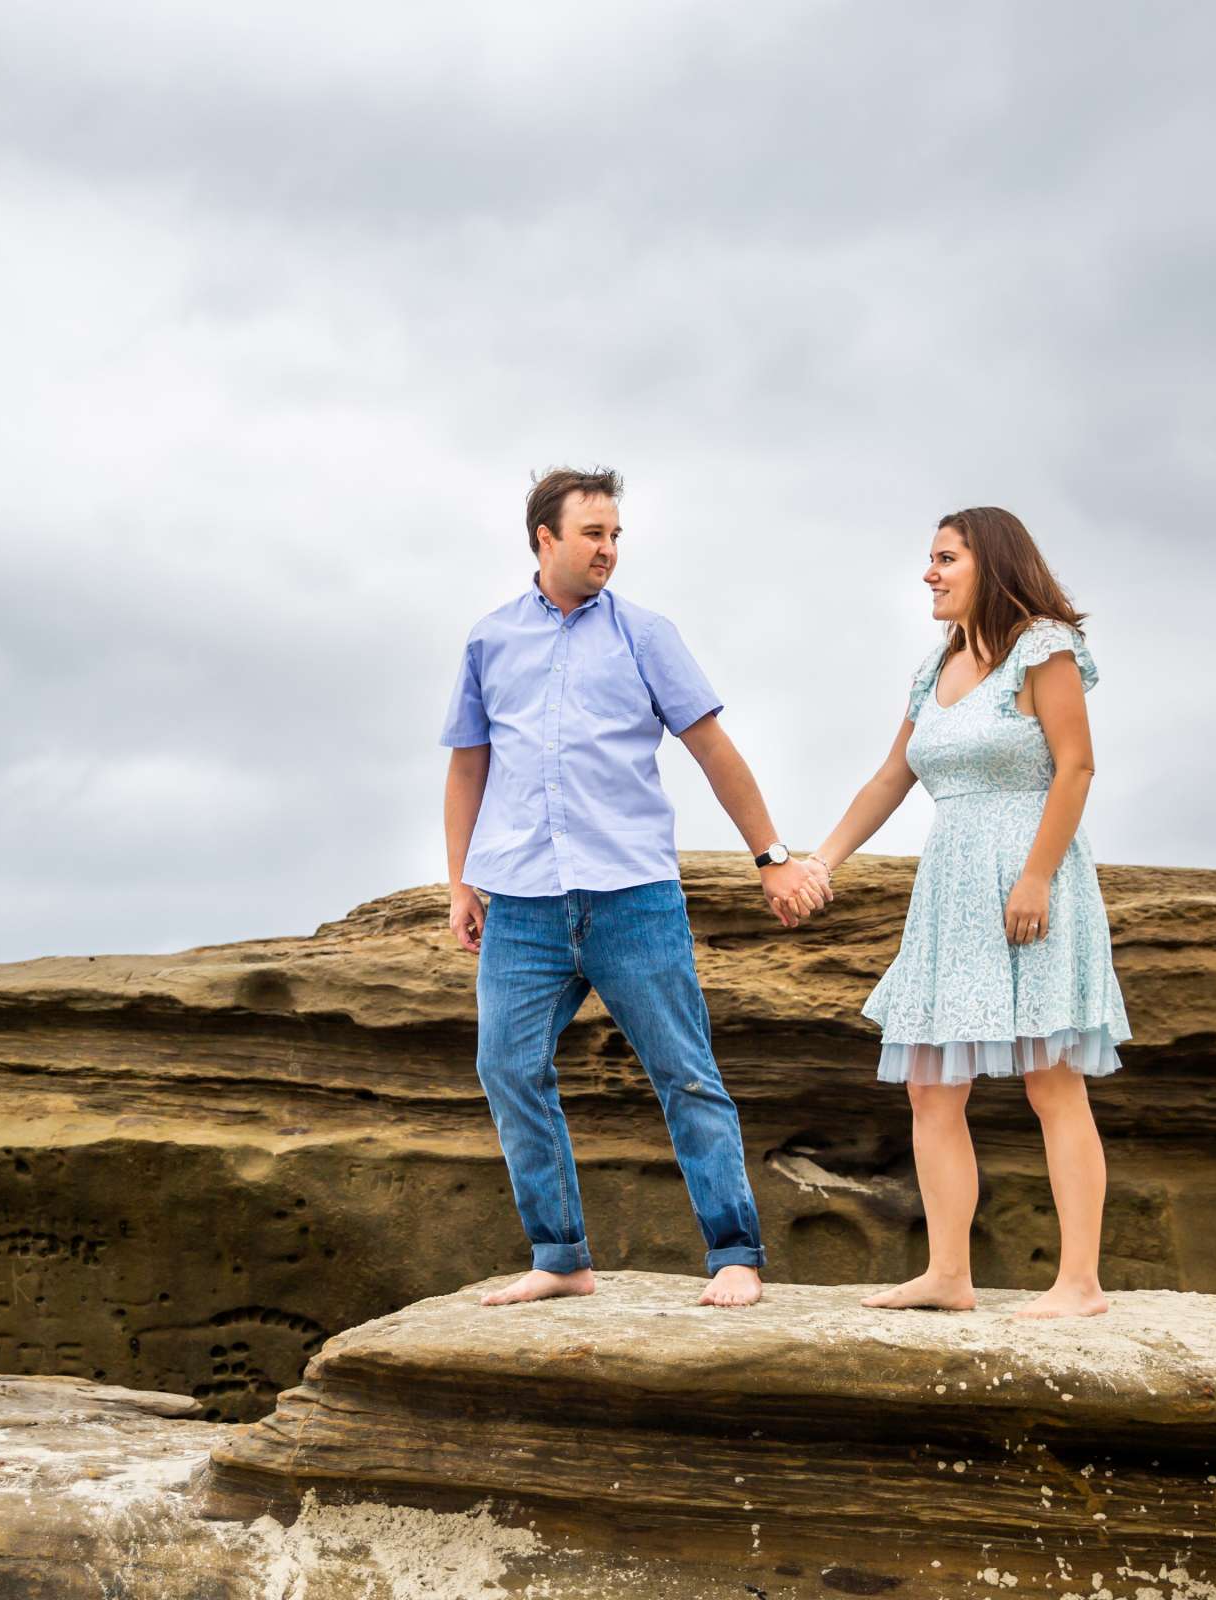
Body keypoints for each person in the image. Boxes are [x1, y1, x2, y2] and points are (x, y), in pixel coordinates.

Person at [440, 467, 825, 1309]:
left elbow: (714, 750)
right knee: (506, 1066)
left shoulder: (648, 635)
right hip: (525, 905)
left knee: (684, 1072)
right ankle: (561, 1255)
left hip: (633, 896)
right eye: (593, 534)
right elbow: (469, 765)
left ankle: (734, 1253)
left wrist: (772, 857)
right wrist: (461, 881)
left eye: (616, 534)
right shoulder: (489, 641)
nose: (609, 548)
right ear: (545, 539)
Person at [801, 507, 1129, 1319]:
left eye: (945, 558)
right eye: (930, 558)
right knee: (928, 1087)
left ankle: (1080, 1284)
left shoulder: (1043, 646)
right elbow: (889, 778)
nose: (929, 573)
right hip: (950, 889)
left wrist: (1037, 877)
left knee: (1052, 1081)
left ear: (992, 564)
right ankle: (949, 1274)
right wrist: (820, 861)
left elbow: (1077, 768)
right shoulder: (935, 665)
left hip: (1030, 876)